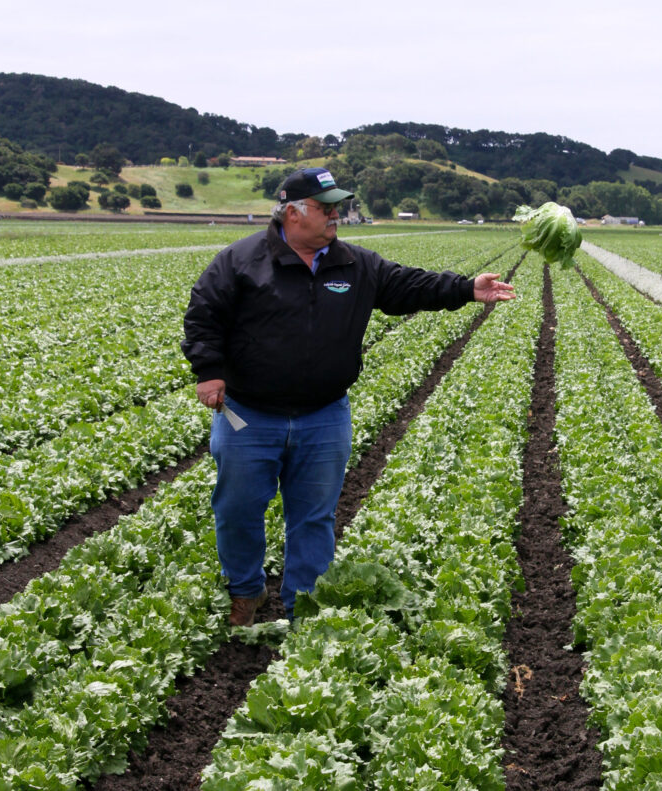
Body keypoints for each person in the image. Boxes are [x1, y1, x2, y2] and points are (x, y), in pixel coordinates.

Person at [181, 167, 515, 626]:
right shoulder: (241, 262)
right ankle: (246, 592)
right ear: (293, 213)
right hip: (250, 414)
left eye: (338, 206)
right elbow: (204, 314)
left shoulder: (354, 264)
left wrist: (465, 288)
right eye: (325, 208)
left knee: (314, 517)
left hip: (324, 415)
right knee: (237, 510)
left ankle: (305, 607)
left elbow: (408, 286)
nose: (336, 215)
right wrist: (209, 372)